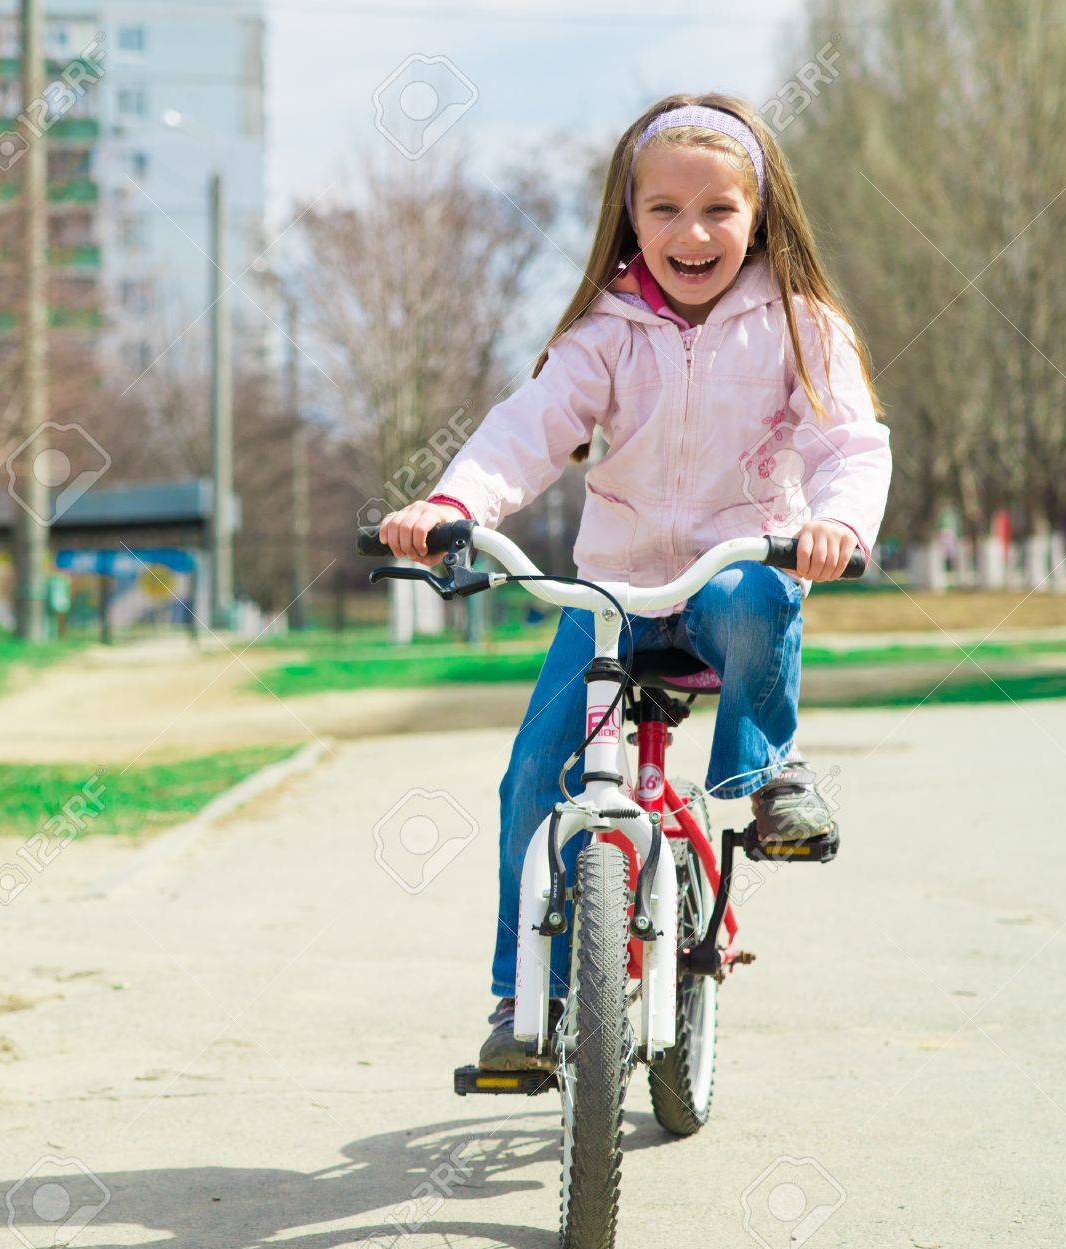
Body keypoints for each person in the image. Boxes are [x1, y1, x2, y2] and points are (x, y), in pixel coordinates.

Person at [378, 94, 892, 1068]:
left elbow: (848, 442)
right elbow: (527, 432)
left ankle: (765, 775)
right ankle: (521, 1003)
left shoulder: (797, 323)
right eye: (662, 209)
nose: (689, 233)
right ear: (629, 215)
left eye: (717, 211)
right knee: (534, 775)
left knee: (756, 598)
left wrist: (834, 524)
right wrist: (452, 507)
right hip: (612, 601)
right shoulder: (606, 330)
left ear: (761, 216)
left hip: (730, 574)